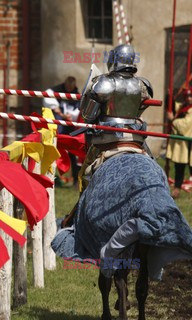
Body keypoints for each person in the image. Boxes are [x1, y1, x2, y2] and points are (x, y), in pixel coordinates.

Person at [61, 44, 153, 227]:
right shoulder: (143, 85)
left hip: (107, 138)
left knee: (85, 174)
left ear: (113, 61)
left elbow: (88, 115)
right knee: (150, 163)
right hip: (135, 138)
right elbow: (140, 110)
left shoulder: (104, 83)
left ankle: (81, 219)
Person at [43, 76, 81, 185]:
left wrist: (72, 116)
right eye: (67, 88)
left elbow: (78, 109)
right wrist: (58, 110)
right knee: (54, 150)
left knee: (73, 152)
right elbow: (48, 96)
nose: (69, 90)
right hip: (58, 125)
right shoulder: (55, 90)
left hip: (70, 125)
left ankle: (75, 179)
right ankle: (52, 178)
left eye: (71, 88)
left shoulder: (76, 93)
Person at [166, 88, 192, 199]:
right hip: (183, 145)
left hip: (190, 143)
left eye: (190, 96)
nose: (189, 99)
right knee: (179, 167)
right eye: (187, 96)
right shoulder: (183, 107)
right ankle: (177, 189)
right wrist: (169, 96)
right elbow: (172, 106)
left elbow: (184, 126)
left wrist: (173, 120)